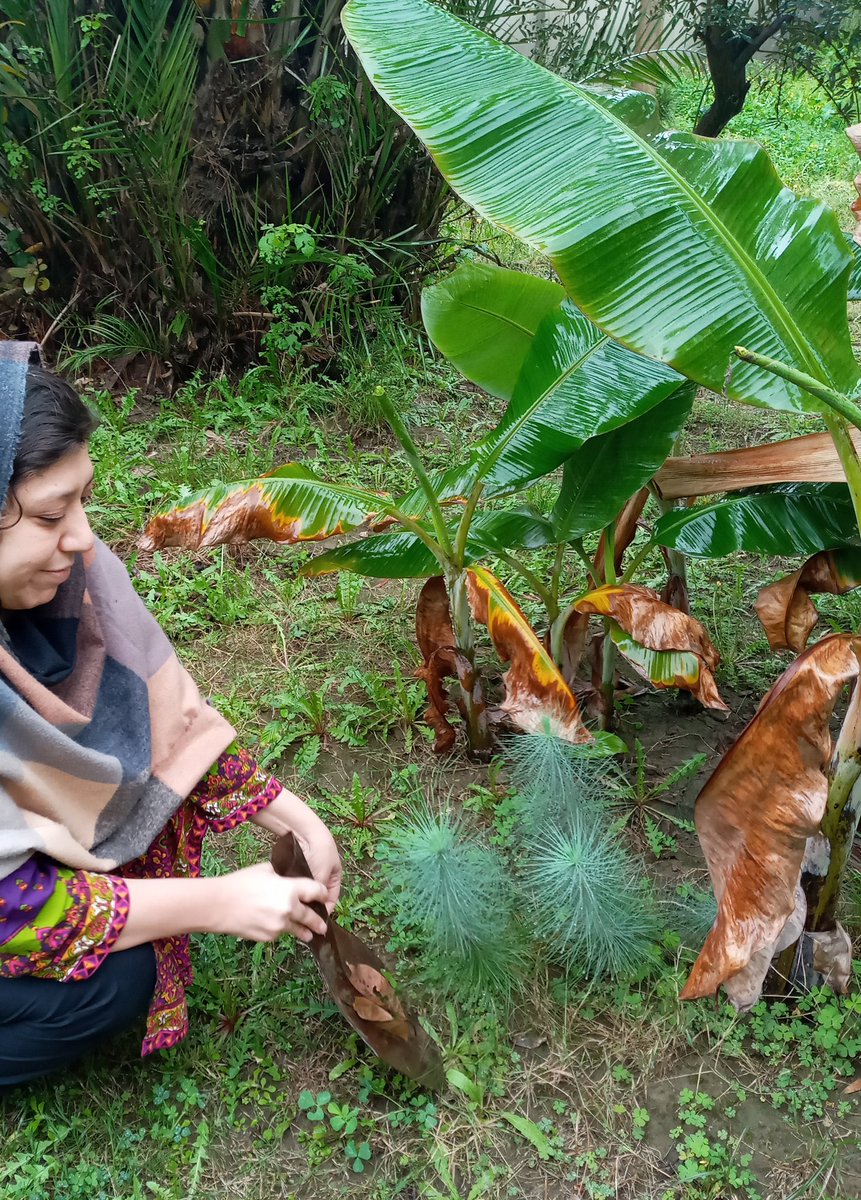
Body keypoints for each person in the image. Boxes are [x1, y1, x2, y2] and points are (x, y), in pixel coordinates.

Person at [0, 341, 341, 1089]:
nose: (84, 537)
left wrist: (290, 816)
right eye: (52, 513)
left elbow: (161, 718)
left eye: (83, 498)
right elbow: (13, 914)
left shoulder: (73, 577)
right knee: (112, 985)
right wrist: (217, 901)